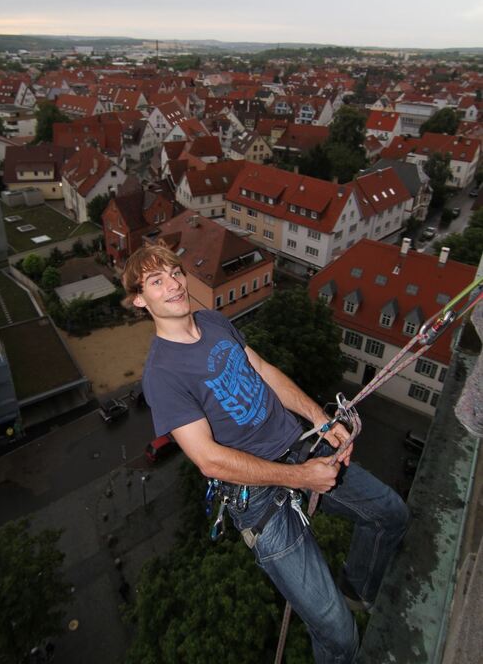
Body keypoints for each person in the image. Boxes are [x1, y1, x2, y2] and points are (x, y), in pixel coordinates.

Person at [122, 241, 409, 664]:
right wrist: (302, 478)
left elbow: (261, 370)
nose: (174, 285)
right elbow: (208, 459)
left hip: (297, 446)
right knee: (339, 636)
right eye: (156, 280)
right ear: (140, 300)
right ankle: (340, 621)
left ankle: (357, 588)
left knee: (391, 514)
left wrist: (320, 419)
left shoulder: (214, 320)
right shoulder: (161, 375)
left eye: (175, 272)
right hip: (258, 497)